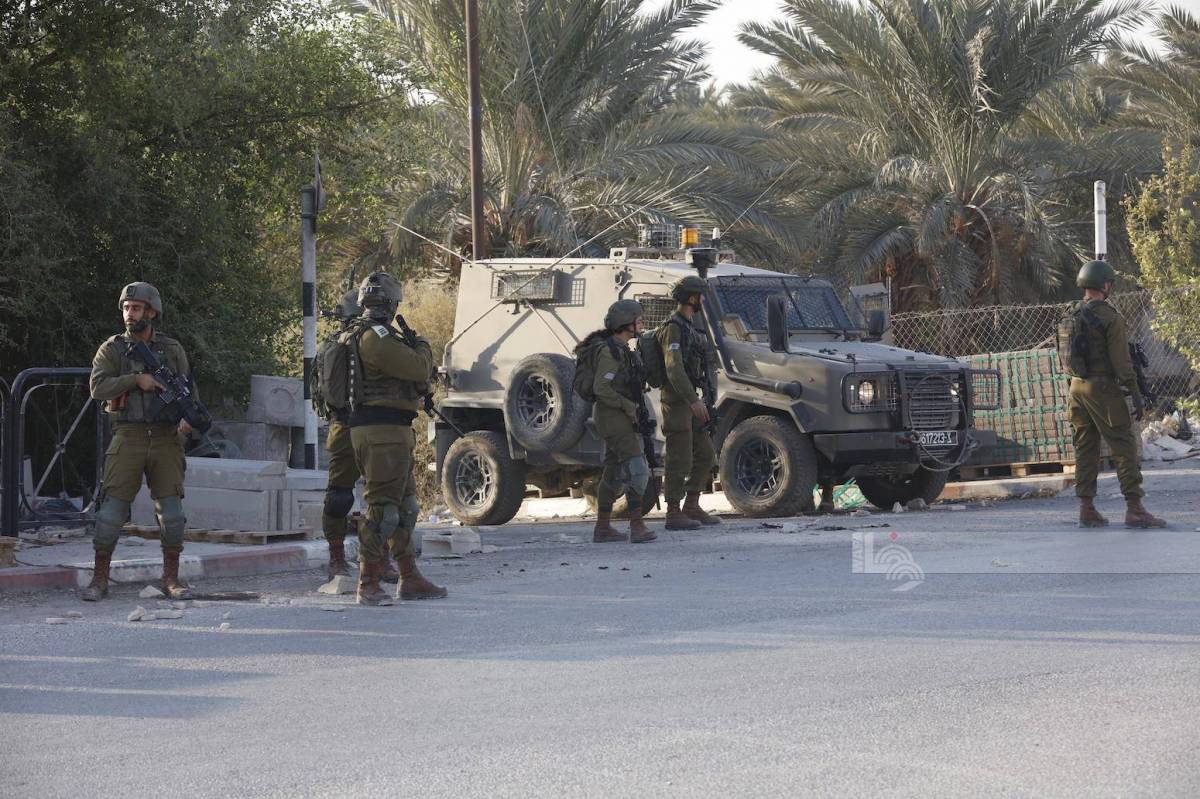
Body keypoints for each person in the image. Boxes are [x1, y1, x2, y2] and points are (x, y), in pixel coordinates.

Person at [84, 282, 193, 601]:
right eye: (126, 308)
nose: (129, 314)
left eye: (136, 308)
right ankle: (99, 578)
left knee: (172, 515)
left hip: (166, 438)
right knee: (111, 513)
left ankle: (171, 578)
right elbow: (97, 387)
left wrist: (189, 421)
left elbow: (189, 390)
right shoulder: (113, 349)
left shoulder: (172, 349)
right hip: (128, 436)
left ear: (152, 312)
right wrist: (136, 380)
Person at [346, 272, 445, 605]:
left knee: (406, 508)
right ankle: (368, 583)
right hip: (381, 432)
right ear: (390, 303)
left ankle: (409, 577)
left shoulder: (374, 334)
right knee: (383, 511)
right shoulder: (375, 337)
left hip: (391, 430)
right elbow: (419, 368)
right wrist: (423, 345)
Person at [1068, 260, 1167, 528]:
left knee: (1085, 447)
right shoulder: (1110, 317)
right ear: (1105, 285)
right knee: (1124, 446)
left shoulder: (1073, 313)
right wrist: (1136, 394)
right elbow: (1122, 364)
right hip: (1102, 388)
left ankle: (1087, 509)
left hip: (1076, 387)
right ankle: (1135, 509)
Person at [317, 289, 398, 583]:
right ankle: (371, 560)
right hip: (370, 427)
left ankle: (342, 560)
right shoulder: (378, 341)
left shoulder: (333, 344)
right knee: (377, 495)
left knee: (344, 494)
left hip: (346, 426)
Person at [579, 300, 657, 544]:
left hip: (619, 417)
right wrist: (627, 406)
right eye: (638, 320)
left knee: (613, 472)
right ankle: (637, 526)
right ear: (626, 323)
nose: (642, 324)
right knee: (639, 470)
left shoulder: (623, 349)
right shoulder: (610, 352)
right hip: (613, 418)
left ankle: (602, 528)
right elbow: (601, 388)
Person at [657, 276, 721, 530]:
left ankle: (692, 505)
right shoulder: (673, 327)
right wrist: (693, 400)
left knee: (705, 454)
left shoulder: (689, 326)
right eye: (701, 296)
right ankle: (673, 511)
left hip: (691, 399)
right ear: (692, 298)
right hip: (676, 401)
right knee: (679, 456)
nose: (703, 300)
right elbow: (673, 369)